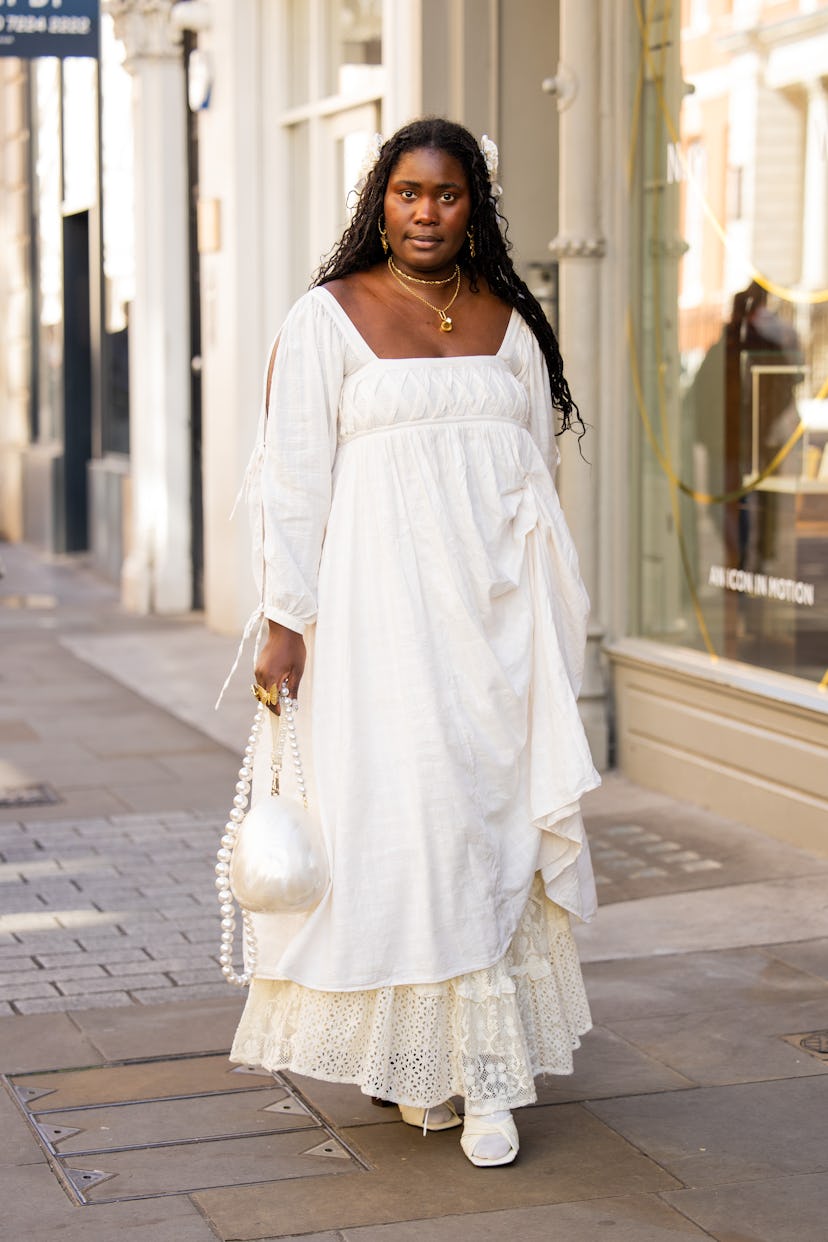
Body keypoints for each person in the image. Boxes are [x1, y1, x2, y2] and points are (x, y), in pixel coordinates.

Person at [229, 117, 600, 1168]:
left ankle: (481, 1068)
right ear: (379, 202)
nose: (426, 212)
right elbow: (294, 483)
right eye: (406, 193)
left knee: (490, 831)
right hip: (376, 621)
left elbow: (537, 475)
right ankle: (444, 1074)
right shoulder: (327, 318)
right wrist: (285, 621)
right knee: (414, 827)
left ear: (472, 205)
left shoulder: (508, 322)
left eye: (446, 194)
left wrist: (545, 618)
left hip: (495, 625)